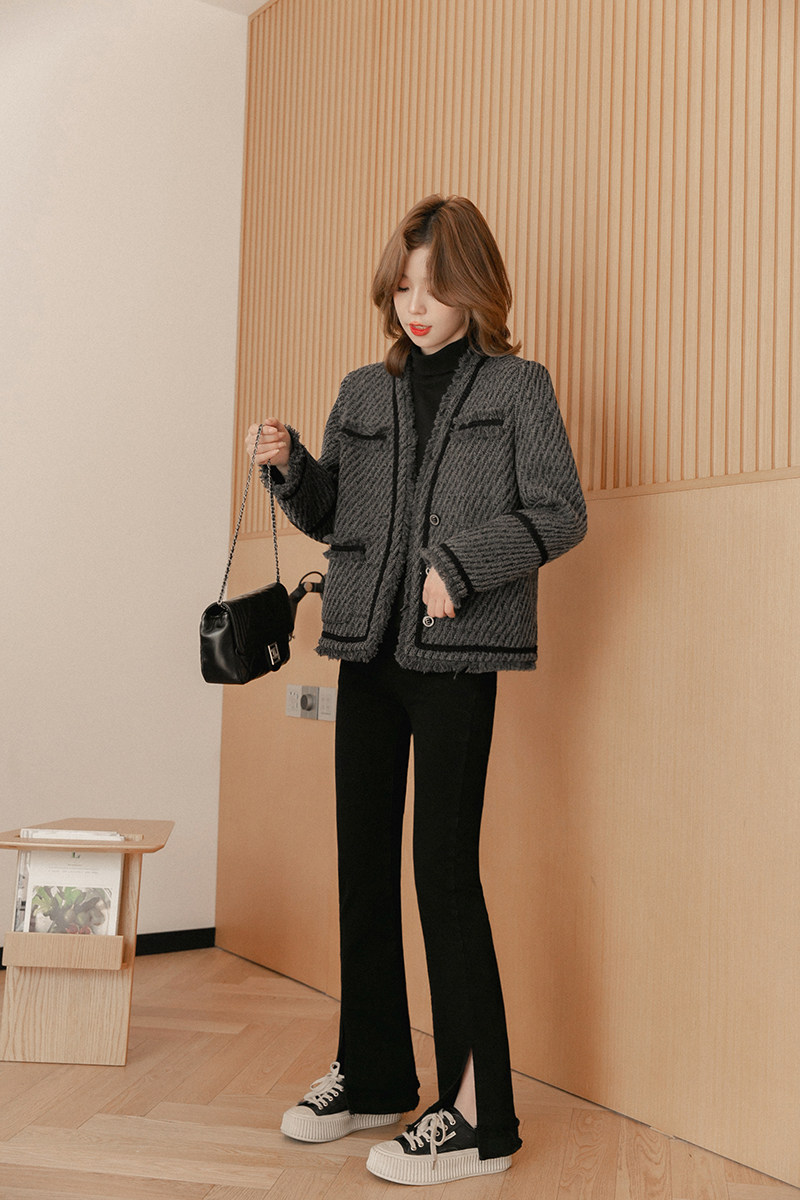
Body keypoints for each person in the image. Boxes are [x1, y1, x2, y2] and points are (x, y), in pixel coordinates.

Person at [245, 194, 586, 1186]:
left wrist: (463, 566)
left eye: (435, 288)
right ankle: (374, 1075)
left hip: (455, 661)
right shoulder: (362, 391)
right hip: (364, 653)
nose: (417, 307)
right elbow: (334, 513)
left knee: (440, 872)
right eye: (402, 289)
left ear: (476, 288)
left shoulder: (518, 388)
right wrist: (291, 469)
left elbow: (559, 511)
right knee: (362, 866)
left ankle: (479, 1118)